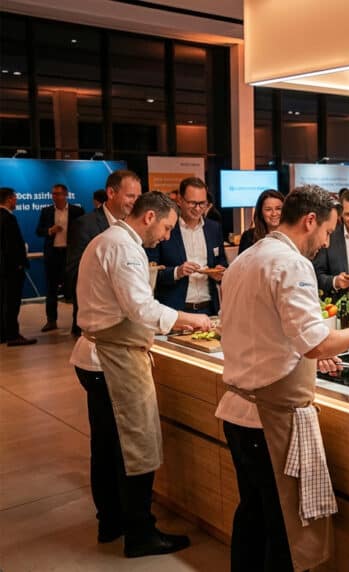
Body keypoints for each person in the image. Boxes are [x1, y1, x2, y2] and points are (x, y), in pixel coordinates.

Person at [215, 185, 349, 571]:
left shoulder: (246, 258)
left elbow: (268, 332)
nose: (326, 243)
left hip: (237, 413)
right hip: (268, 420)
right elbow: (315, 343)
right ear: (310, 220)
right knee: (283, 530)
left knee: (253, 517)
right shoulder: (292, 263)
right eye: (327, 231)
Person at [69, 191, 213, 557]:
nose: (166, 237)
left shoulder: (110, 239)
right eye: (166, 227)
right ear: (149, 217)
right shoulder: (123, 247)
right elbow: (140, 307)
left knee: (106, 448)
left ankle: (111, 522)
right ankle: (140, 533)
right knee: (136, 446)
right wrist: (188, 319)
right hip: (112, 360)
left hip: (96, 356)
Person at [66, 170, 142, 337]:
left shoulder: (135, 225)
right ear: (111, 193)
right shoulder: (86, 225)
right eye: (130, 196)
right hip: (98, 325)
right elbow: (74, 273)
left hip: (128, 325)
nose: (135, 202)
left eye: (138, 197)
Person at [146, 178, 228, 315]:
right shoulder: (166, 229)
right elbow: (150, 272)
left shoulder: (213, 228)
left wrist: (219, 271)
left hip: (208, 308)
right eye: (192, 203)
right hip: (175, 310)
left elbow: (221, 261)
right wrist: (177, 272)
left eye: (202, 203)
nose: (197, 208)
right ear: (180, 200)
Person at [35, 184, 85, 331]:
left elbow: (83, 230)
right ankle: (51, 321)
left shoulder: (77, 211)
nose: (55, 197)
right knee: (51, 289)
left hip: (71, 255)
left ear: (66, 195)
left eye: (58, 194)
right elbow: (39, 231)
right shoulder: (46, 211)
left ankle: (77, 323)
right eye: (53, 194)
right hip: (53, 255)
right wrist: (50, 230)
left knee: (76, 289)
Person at [1, 187, 35, 346]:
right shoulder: (8, 218)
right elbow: (13, 245)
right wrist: (19, 265)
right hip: (12, 270)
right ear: (8, 199)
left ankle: (4, 333)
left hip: (4, 269)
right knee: (12, 302)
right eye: (15, 198)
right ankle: (12, 335)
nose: (16, 200)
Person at [238, 189, 285, 254]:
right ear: (261, 213)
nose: (274, 213)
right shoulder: (248, 237)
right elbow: (241, 264)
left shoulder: (293, 236)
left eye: (278, 209)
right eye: (268, 209)